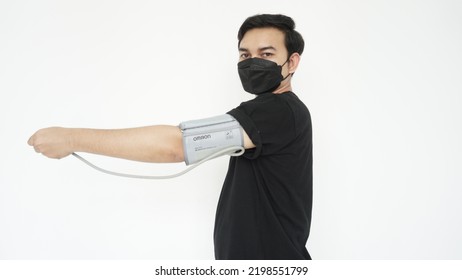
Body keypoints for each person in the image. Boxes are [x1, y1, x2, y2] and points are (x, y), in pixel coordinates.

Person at [28, 14, 313, 260]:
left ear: (292, 62)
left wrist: (71, 139)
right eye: (244, 55)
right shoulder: (275, 112)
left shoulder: (278, 109)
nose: (252, 63)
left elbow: (177, 145)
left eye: (266, 54)